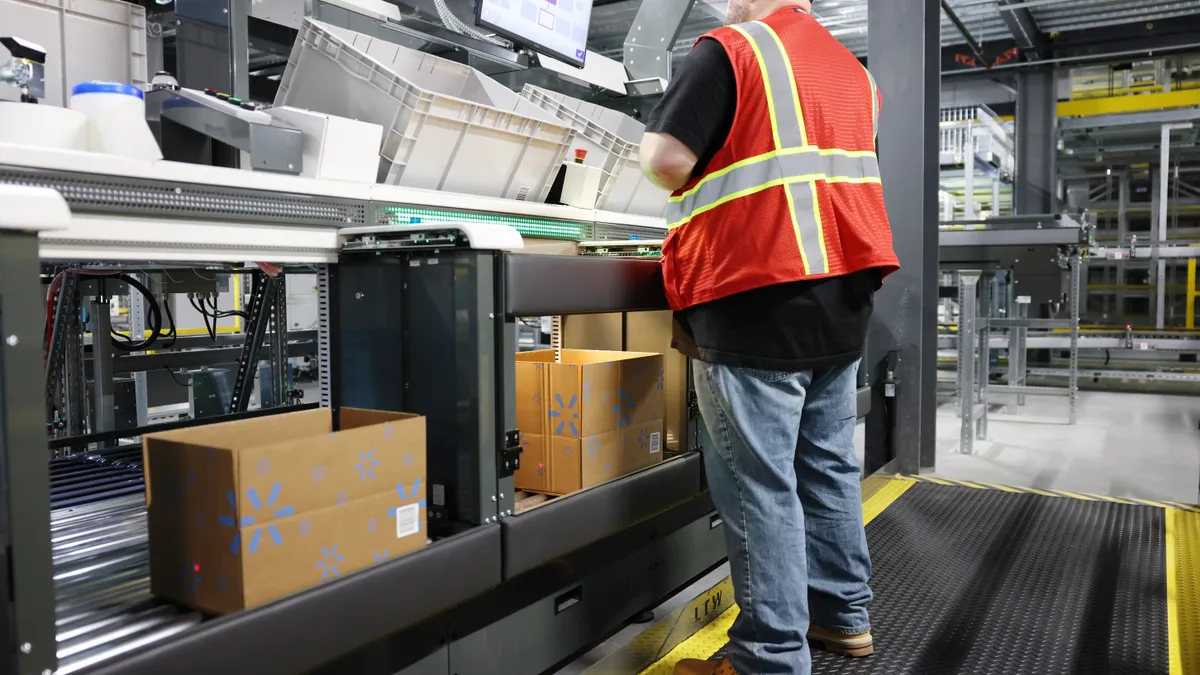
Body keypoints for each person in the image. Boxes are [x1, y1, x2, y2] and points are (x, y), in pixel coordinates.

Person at [638, 0, 900, 673]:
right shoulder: (853, 73)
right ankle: (844, 618)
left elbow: (665, 158)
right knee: (829, 466)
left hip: (754, 293)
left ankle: (769, 654)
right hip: (840, 299)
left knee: (762, 485)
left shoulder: (732, 48)